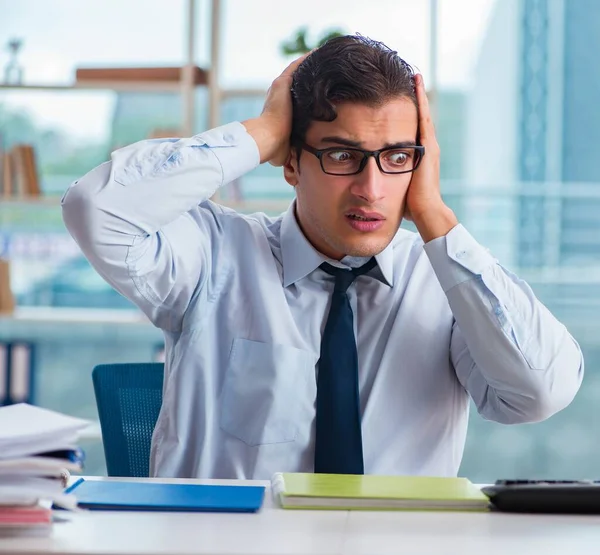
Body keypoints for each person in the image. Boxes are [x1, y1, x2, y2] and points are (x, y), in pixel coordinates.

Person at [62, 35, 583, 480]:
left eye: (397, 158)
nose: (371, 189)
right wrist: (266, 130)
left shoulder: (447, 282)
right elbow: (96, 209)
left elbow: (539, 392)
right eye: (341, 155)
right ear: (291, 163)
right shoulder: (213, 256)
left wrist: (434, 216)